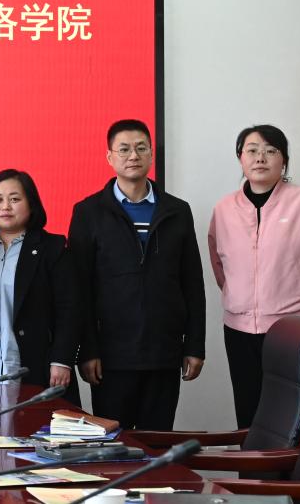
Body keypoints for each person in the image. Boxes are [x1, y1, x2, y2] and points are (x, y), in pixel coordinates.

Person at [208, 124, 300, 428]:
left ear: (284, 160)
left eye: (270, 150)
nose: (260, 157)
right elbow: (221, 267)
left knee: (294, 417)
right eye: (252, 150)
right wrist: (242, 301)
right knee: (249, 416)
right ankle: (252, 462)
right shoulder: (224, 209)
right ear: (240, 158)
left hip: (296, 329)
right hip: (239, 331)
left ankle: (293, 464)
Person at [69, 119, 205, 430]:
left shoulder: (177, 211)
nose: (133, 155)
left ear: (151, 155)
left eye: (141, 148)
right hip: (110, 355)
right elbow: (80, 290)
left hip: (164, 351)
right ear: (110, 157)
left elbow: (192, 283)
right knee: (113, 443)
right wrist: (87, 350)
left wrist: (195, 345)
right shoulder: (88, 212)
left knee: (157, 442)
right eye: (124, 149)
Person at [0, 169, 81, 405]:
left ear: (31, 204)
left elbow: (70, 309)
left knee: (31, 425)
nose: (5, 206)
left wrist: (61, 360)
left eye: (15, 199)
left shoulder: (52, 248)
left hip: (34, 363)